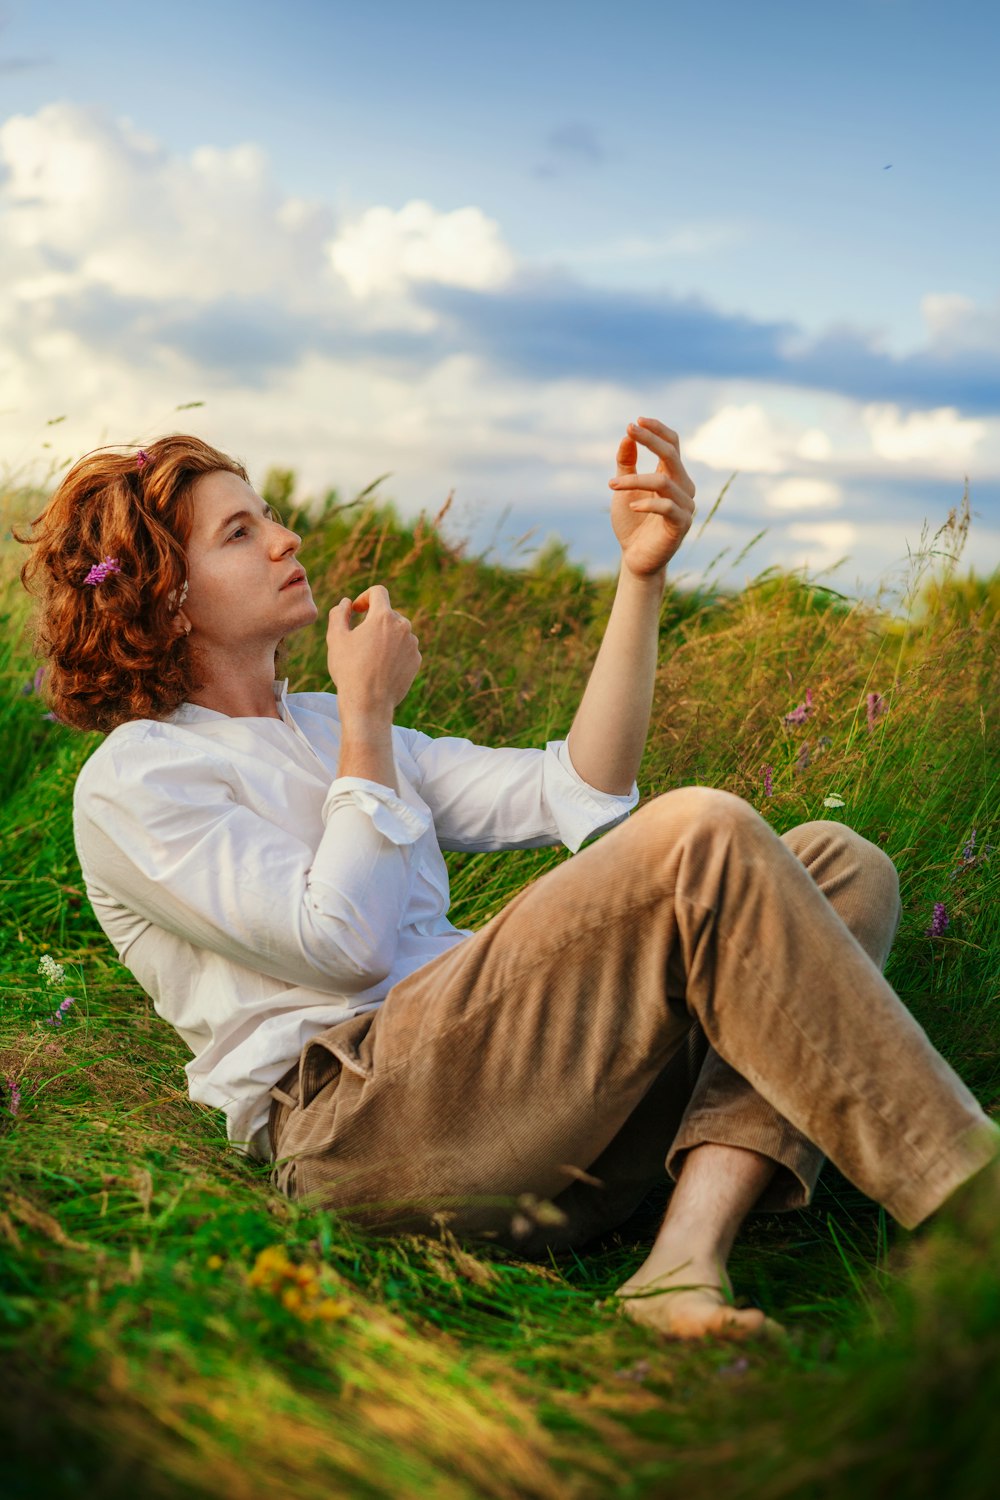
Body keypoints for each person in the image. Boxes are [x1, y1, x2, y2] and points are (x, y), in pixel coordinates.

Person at [17, 422, 999, 1342]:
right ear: (169, 596)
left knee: (837, 860)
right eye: (241, 531)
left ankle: (685, 1256)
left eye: (268, 513)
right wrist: (367, 719)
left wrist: (639, 578)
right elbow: (339, 942)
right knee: (703, 831)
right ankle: (971, 1204)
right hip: (358, 1134)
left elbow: (580, 787)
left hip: (517, 1109)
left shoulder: (322, 726)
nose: (284, 538)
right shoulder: (140, 777)